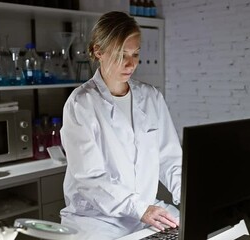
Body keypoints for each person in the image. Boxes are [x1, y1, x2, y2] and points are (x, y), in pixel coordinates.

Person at [60, 11, 182, 239]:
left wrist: (189, 195)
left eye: (135, 54)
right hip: (97, 220)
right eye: (121, 54)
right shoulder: (81, 103)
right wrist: (140, 209)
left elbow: (171, 160)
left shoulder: (151, 97)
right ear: (99, 51)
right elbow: (90, 178)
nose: (131, 64)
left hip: (146, 211)